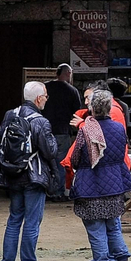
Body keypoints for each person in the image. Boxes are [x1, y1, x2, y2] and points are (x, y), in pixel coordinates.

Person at [0, 80, 60, 261]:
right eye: (46, 96)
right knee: (32, 221)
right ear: (39, 99)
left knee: (14, 219)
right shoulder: (40, 121)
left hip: (13, 174)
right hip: (34, 176)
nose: (46, 100)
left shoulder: (10, 114)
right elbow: (50, 151)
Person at [71, 89, 131, 261]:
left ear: (91, 108)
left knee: (95, 229)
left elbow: (76, 157)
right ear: (109, 107)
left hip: (90, 184)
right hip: (115, 183)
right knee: (113, 228)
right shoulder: (119, 128)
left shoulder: (86, 130)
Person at [42, 64, 82, 197]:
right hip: (62, 131)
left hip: (44, 131)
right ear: (69, 73)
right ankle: (58, 192)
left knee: (45, 161)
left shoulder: (45, 87)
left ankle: (45, 190)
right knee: (60, 163)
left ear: (57, 73)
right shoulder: (72, 90)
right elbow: (78, 112)